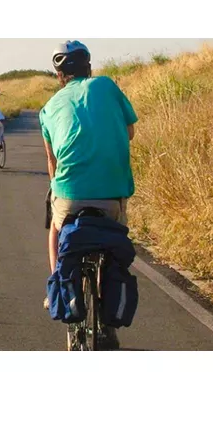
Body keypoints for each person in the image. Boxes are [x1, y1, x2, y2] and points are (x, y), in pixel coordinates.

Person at [40, 40, 138, 274]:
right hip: (113, 192)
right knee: (114, 235)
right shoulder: (106, 85)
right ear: (89, 68)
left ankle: (56, 288)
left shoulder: (48, 108)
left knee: (55, 227)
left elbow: (51, 161)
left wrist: (56, 189)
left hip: (70, 194)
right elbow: (130, 132)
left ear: (59, 76)